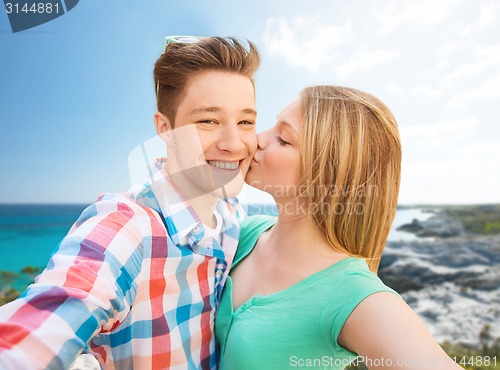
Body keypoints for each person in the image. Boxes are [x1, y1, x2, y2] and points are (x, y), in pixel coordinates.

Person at [0, 36, 259, 369]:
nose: (233, 143)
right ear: (165, 130)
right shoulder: (127, 228)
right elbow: (40, 328)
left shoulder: (232, 215)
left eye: (246, 122)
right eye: (208, 121)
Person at [215, 86, 463, 369]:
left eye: (283, 139)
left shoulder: (354, 295)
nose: (256, 140)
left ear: (329, 176)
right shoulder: (246, 233)